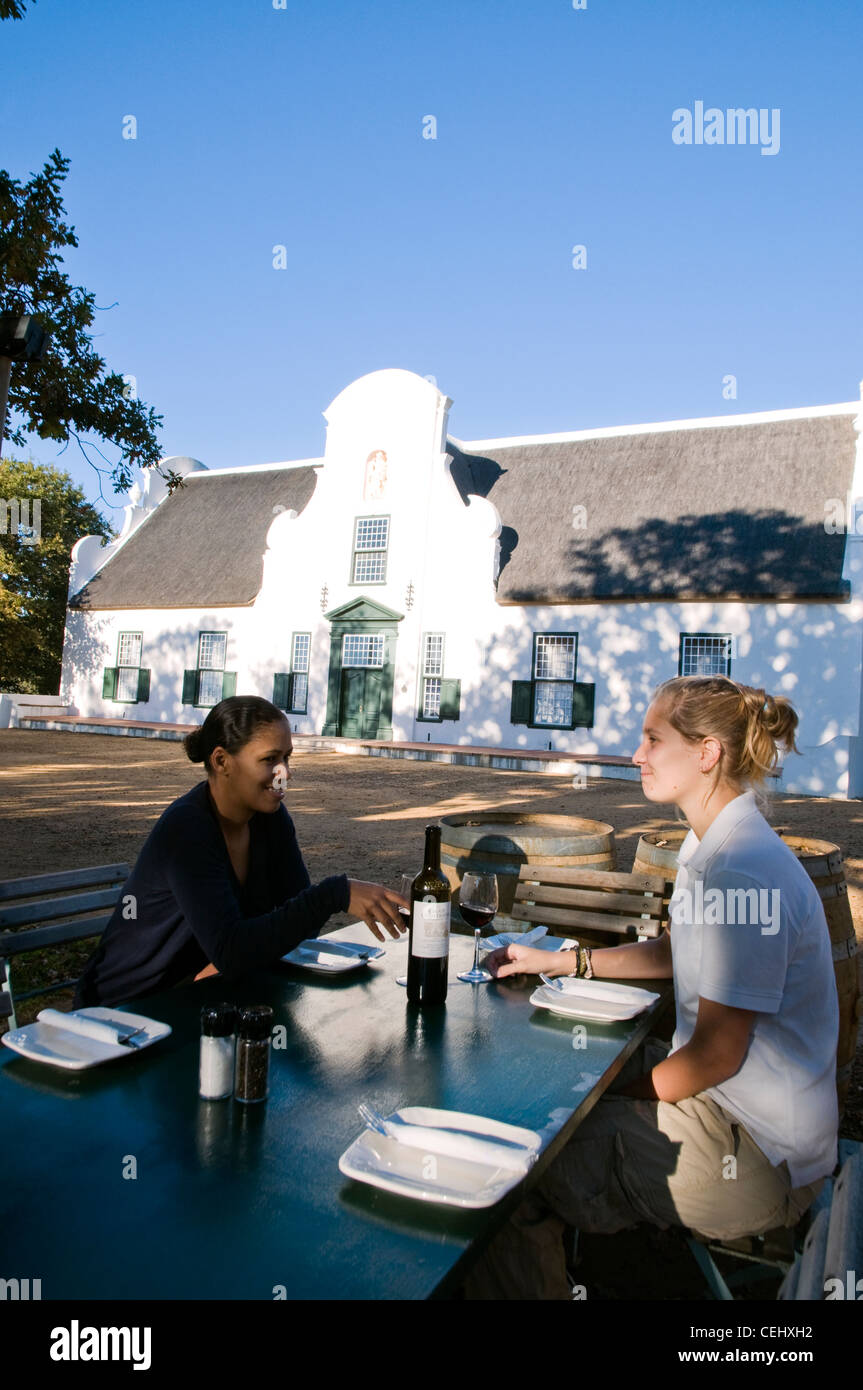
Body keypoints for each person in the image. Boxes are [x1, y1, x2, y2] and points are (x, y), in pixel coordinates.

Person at [464, 675, 840, 1300]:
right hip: (727, 1115)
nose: (636, 754)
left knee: (506, 1177)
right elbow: (674, 952)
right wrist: (564, 963)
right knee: (548, 1070)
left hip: (754, 1157)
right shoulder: (711, 844)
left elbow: (718, 1054)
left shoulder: (743, 868)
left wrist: (611, 1101)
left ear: (706, 753)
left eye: (652, 739)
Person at [74, 696, 408, 1007]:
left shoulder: (271, 820)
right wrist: (335, 893)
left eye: (287, 758)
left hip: (200, 1001)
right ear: (222, 761)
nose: (285, 774)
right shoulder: (188, 829)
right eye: (269, 760)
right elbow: (235, 950)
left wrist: (232, 956)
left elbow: (298, 930)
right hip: (123, 1013)